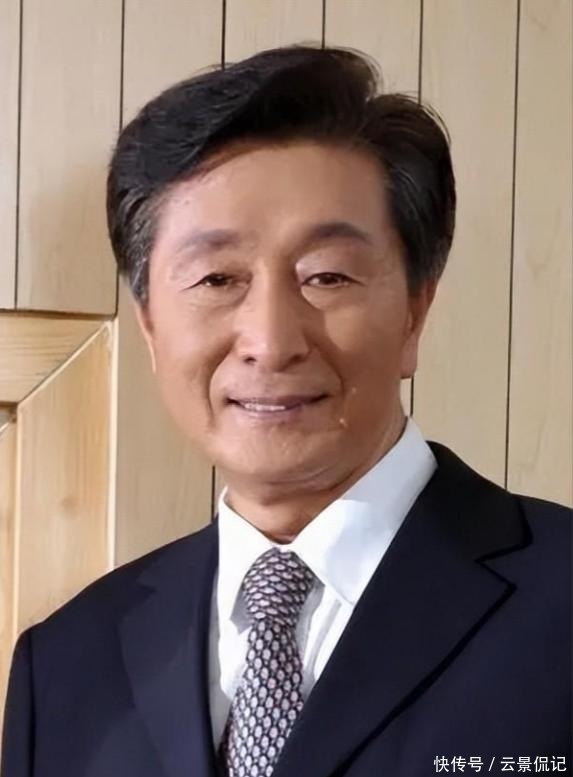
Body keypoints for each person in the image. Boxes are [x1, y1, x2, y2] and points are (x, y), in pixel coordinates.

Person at [1, 44, 571, 777]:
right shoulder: (66, 663)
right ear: (149, 327)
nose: (270, 341)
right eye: (217, 279)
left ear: (414, 312)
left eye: (326, 276)